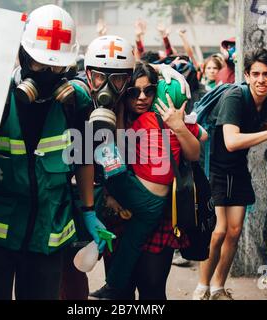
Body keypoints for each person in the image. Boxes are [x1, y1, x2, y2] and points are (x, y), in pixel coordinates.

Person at [0, 5, 105, 300]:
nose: (49, 75)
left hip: (48, 236)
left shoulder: (76, 101)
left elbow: (83, 160)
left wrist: (89, 210)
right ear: (22, 55)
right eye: (41, 65)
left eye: (58, 68)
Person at [90, 61, 204, 299]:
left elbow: (194, 152)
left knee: (152, 289)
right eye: (134, 92)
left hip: (159, 215)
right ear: (123, 92)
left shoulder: (167, 115)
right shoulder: (115, 116)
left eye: (148, 90)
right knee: (120, 294)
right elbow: (114, 152)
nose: (141, 97)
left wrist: (178, 126)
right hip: (120, 215)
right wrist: (110, 197)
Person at [192, 48, 267, 300]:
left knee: (235, 230)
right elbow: (230, 140)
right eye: (256, 74)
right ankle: (201, 288)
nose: (261, 79)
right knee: (217, 231)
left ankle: (218, 287)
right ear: (247, 76)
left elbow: (256, 125)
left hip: (237, 167)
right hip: (213, 167)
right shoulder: (234, 97)